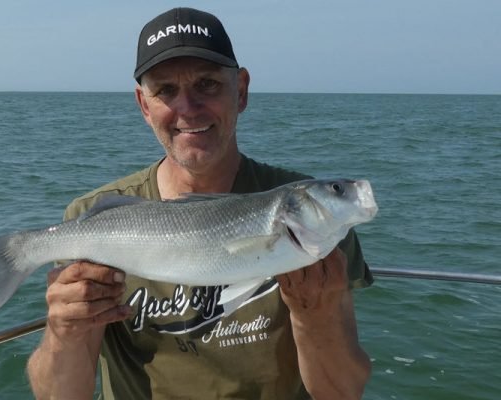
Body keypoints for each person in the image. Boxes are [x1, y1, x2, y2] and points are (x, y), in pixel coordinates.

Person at [27, 7, 373, 400]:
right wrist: (64, 332)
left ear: (240, 91)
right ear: (144, 104)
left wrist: (317, 318)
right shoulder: (92, 219)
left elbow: (342, 393)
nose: (188, 109)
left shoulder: (319, 216)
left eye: (207, 85)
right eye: (166, 91)